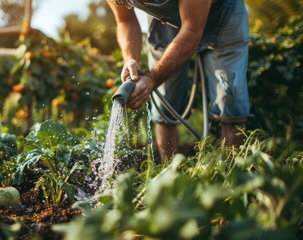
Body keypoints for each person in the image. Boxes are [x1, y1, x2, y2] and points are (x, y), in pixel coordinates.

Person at [106, 0, 251, 162]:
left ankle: (233, 178)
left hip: (224, 13)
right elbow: (125, 20)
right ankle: (171, 177)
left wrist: (152, 78)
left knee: (230, 102)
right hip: (165, 22)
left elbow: (192, 29)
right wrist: (130, 59)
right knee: (164, 108)